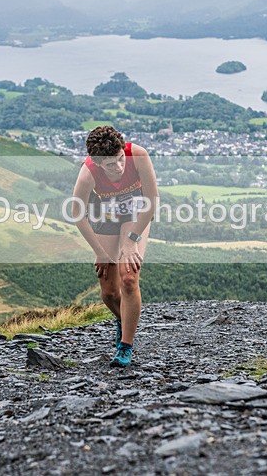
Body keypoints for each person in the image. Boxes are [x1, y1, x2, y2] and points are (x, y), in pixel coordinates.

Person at [71, 126, 158, 367]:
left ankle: (125, 346)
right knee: (109, 291)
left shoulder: (138, 155)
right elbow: (78, 215)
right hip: (105, 215)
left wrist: (131, 240)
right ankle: (123, 319)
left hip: (135, 212)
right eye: (110, 165)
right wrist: (99, 252)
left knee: (129, 277)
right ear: (98, 163)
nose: (118, 167)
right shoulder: (88, 174)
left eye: (120, 159)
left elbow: (151, 201)